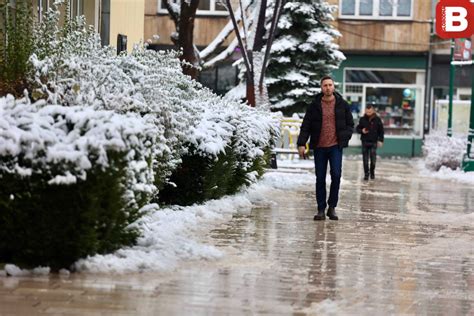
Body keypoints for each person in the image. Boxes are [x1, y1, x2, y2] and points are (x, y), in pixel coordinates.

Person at [297, 76, 354, 221]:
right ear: (321, 88)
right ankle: (321, 209)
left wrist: (345, 136)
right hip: (319, 147)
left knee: (336, 175)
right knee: (320, 178)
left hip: (335, 146)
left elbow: (350, 124)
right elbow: (306, 126)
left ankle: (332, 207)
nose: (328, 88)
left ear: (333, 87)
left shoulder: (342, 104)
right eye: (325, 85)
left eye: (330, 85)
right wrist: (301, 143)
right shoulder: (314, 105)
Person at [356, 105, 384, 181]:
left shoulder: (377, 119)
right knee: (365, 159)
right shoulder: (362, 119)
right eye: (367, 112)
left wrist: (381, 140)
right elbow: (357, 128)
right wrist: (362, 130)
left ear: (373, 111)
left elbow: (381, 131)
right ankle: (366, 174)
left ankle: (372, 172)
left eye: (370, 111)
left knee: (373, 159)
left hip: (374, 142)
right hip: (364, 141)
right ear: (365, 111)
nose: (368, 113)